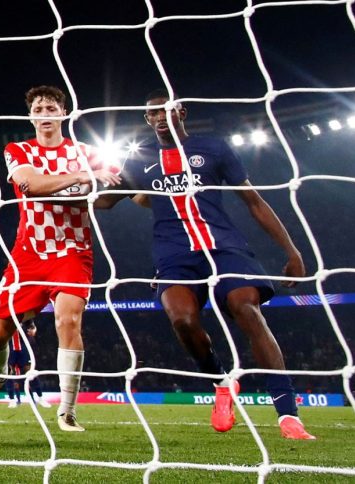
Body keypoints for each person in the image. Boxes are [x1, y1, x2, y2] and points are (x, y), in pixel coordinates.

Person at [95, 88, 314, 439]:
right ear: (147, 120)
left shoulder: (213, 148)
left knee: (246, 309)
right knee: (181, 319)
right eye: (152, 113)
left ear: (181, 112)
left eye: (166, 110)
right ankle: (220, 382)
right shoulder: (140, 161)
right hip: (174, 255)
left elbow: (253, 201)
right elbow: (104, 203)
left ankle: (288, 414)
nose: (159, 117)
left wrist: (293, 252)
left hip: (224, 247)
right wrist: (85, 177)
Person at [0, 85, 121, 432]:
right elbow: (30, 186)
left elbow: (110, 195)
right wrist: (84, 179)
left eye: (51, 107)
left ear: (62, 113)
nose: (45, 113)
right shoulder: (18, 150)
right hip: (29, 255)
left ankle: (67, 412)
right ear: (31, 116)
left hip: (73, 251)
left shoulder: (86, 151)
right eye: (38, 108)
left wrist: (101, 191)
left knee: (68, 320)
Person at [6, 320, 50, 409]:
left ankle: (40, 398)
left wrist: (33, 329)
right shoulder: (6, 317)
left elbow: (32, 327)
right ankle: (11, 400)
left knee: (31, 373)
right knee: (10, 374)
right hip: (11, 349)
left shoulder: (23, 317)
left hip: (23, 349)